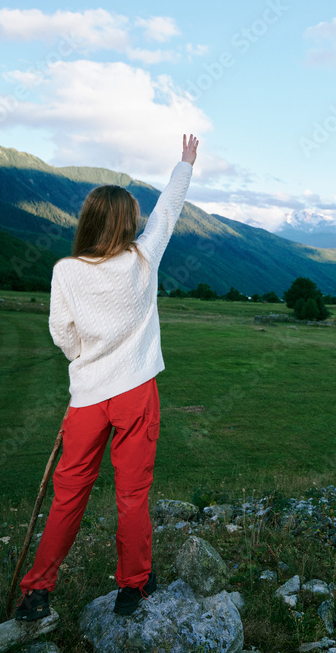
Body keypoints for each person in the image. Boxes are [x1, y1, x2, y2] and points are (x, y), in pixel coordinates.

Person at [14, 134, 199, 620]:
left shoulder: (66, 271)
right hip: (136, 393)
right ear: (125, 223)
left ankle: (37, 591)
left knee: (67, 495)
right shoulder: (142, 259)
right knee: (132, 494)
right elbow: (169, 211)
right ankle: (133, 586)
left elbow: (62, 335)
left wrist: (88, 361)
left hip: (87, 400)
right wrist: (185, 162)